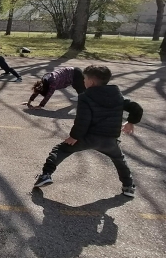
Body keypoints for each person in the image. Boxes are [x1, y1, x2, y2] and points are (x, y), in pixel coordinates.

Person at [33, 65, 143, 198]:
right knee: (119, 160)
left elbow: (83, 120)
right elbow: (136, 108)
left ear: (91, 82)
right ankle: (128, 187)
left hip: (87, 138)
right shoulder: (118, 96)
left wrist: (74, 136)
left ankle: (46, 175)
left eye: (84, 79)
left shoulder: (85, 97)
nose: (83, 81)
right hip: (110, 140)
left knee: (60, 150)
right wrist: (131, 122)